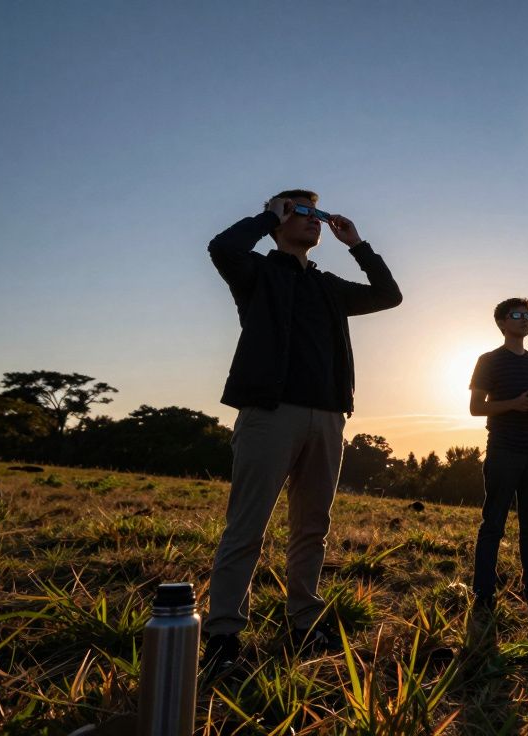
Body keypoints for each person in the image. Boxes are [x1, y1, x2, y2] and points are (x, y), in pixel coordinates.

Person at [202, 190, 403, 670]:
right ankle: (223, 635)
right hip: (270, 414)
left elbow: (388, 295)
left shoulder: (329, 285)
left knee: (313, 527)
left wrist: (358, 245)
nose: (314, 219)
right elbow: (222, 247)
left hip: (329, 416)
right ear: (279, 219)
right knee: (247, 526)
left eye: (317, 212)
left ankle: (304, 623)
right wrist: (266, 217)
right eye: (300, 211)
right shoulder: (256, 272)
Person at [468, 298, 528, 612]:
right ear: (501, 322)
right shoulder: (488, 360)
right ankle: (483, 592)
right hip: (503, 449)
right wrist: (513, 404)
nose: (525, 319)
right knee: (493, 523)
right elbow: (475, 408)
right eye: (518, 315)